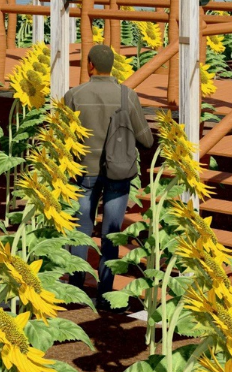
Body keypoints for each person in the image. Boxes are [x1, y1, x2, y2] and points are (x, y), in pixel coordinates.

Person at [62, 44, 154, 306]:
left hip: (83, 171)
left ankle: (76, 291)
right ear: (112, 65)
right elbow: (145, 140)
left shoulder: (73, 95)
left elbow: (62, 137)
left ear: (89, 64)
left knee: (81, 230)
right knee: (111, 233)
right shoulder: (127, 95)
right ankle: (105, 294)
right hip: (118, 172)